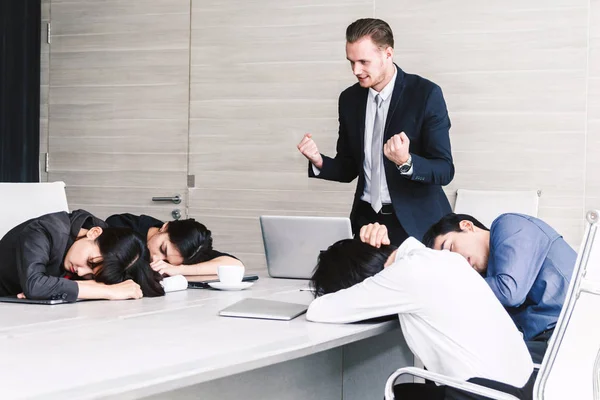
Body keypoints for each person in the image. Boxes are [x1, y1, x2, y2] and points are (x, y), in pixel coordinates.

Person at [307, 223, 535, 400]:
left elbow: (319, 310)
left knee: (400, 390)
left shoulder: (407, 273)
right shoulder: (443, 259)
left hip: (480, 393)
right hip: (523, 388)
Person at [297, 18, 454, 245]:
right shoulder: (349, 99)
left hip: (416, 224)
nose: (356, 70)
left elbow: (444, 169)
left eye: (363, 61)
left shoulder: (426, 94)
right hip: (366, 223)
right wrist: (319, 161)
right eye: (351, 62)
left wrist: (406, 162)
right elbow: (349, 167)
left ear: (388, 54)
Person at [422, 213, 577, 363]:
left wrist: (450, 287)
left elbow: (509, 292)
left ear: (467, 226)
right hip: (549, 340)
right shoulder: (486, 278)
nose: (455, 262)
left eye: (449, 248)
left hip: (571, 329)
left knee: (478, 369)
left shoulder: (509, 225)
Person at [0, 210, 164, 302]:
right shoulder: (45, 230)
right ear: (94, 233)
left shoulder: (107, 240)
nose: (81, 272)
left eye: (91, 274)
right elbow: (35, 285)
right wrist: (105, 290)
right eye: (90, 263)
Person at [105, 213, 243, 276]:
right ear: (165, 227)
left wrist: (179, 270)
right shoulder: (122, 226)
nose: (156, 260)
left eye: (167, 262)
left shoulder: (189, 251)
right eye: (162, 249)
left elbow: (235, 265)